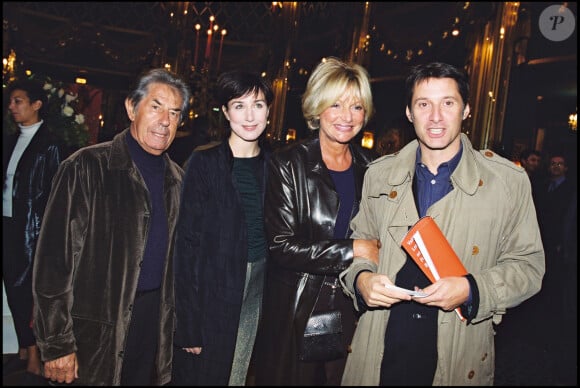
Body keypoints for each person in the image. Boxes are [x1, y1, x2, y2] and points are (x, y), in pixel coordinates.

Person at [339, 62, 545, 386]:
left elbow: (529, 267)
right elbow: (362, 240)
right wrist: (361, 280)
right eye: (424, 104)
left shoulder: (506, 182)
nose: (435, 117)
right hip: (381, 349)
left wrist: (471, 288)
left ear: (466, 111)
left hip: (457, 352)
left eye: (448, 103)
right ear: (409, 113)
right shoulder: (379, 175)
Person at [32, 68, 191, 386]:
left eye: (174, 113)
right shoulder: (86, 167)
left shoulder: (180, 182)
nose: (165, 121)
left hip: (151, 330)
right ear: (132, 108)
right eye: (156, 106)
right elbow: (53, 264)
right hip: (93, 333)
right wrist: (57, 345)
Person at [253, 57, 379, 386]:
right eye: (336, 104)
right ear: (317, 107)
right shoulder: (287, 164)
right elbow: (281, 246)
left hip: (354, 305)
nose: (346, 117)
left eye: (356, 107)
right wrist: (353, 250)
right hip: (299, 308)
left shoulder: (374, 168)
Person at [171, 70, 274, 386]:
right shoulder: (204, 163)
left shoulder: (277, 166)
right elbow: (185, 244)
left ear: (269, 111)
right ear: (226, 113)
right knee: (205, 375)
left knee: (238, 374)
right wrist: (188, 322)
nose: (249, 115)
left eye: (257, 105)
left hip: (259, 285)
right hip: (212, 291)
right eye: (239, 106)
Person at [3, 78, 65, 377]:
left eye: (18, 101)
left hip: (32, 231)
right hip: (9, 226)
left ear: (36, 104)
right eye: (11, 101)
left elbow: (54, 193)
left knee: (31, 294)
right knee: (14, 291)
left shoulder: (50, 144)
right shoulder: (10, 140)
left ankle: (35, 354)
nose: (12, 107)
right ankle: (25, 348)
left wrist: (46, 235)